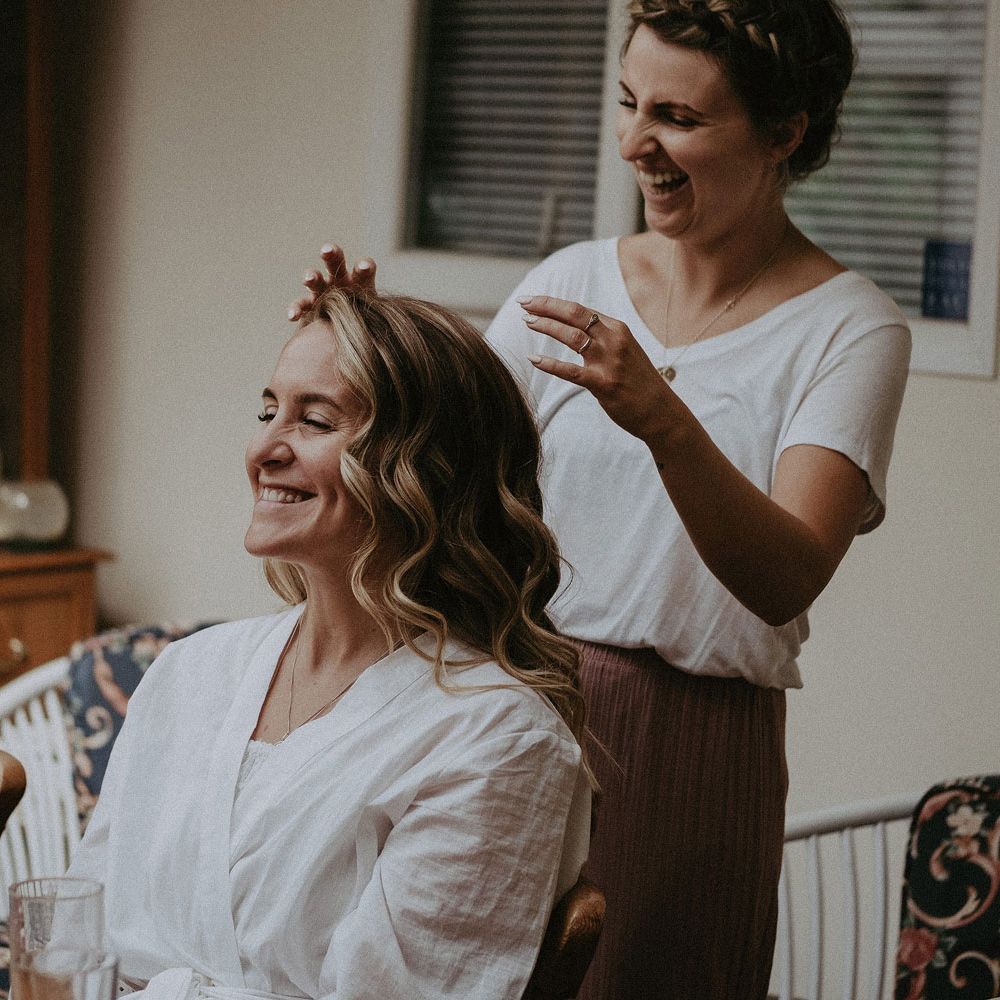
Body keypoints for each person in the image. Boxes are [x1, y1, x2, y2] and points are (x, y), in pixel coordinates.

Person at [293, 1, 912, 996]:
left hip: (695, 747)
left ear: (783, 133)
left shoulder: (850, 330)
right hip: (510, 699)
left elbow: (785, 572)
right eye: (628, 104)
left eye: (678, 117)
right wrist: (366, 349)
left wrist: (662, 416)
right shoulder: (572, 280)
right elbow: (441, 477)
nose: (634, 144)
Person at [67, 288, 593, 999]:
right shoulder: (192, 673)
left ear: (426, 467)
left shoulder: (497, 738)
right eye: (267, 412)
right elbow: (78, 939)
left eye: (314, 420)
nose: (264, 449)